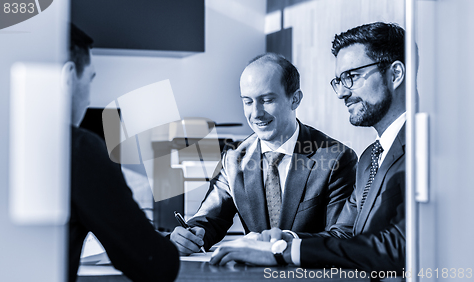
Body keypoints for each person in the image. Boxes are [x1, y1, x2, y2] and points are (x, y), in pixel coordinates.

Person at [210, 22, 409, 272]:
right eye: (339, 80)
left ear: (396, 74)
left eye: (353, 77)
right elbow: (344, 236)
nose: (341, 93)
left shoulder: (428, 149)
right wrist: (283, 241)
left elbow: (401, 246)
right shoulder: (371, 156)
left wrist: (284, 253)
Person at [170, 53, 358, 256]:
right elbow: (210, 218)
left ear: (295, 99)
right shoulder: (234, 158)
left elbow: (341, 236)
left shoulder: (336, 158)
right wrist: (191, 235)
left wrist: (284, 243)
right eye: (248, 102)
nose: (256, 113)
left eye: (267, 100)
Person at [66, 24, 179, 282]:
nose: (86, 100)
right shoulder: (78, 149)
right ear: (69, 77)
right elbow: (155, 265)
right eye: (90, 80)